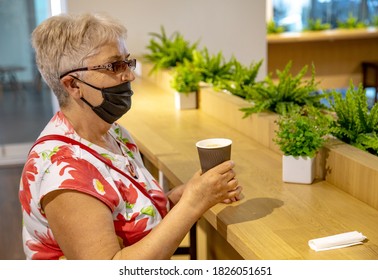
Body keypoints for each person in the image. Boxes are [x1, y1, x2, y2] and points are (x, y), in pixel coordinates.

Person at [19, 13, 242, 260]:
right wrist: (193, 204)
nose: (130, 76)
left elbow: (128, 215)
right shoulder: (64, 174)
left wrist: (187, 194)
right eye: (115, 66)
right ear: (73, 85)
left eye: (127, 62)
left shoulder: (112, 133)